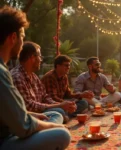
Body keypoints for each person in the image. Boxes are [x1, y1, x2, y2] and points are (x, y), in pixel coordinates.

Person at [0, 6, 70, 150]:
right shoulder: (5, 73)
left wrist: (37, 118)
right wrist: (52, 125)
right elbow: (23, 126)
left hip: (14, 127)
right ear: (13, 38)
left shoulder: (6, 70)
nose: (22, 43)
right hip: (6, 139)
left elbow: (14, 113)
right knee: (62, 134)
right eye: (22, 37)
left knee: (54, 114)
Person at [11, 41, 76, 123]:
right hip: (28, 118)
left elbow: (44, 96)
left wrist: (62, 105)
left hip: (41, 112)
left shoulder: (33, 76)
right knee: (59, 113)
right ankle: (52, 127)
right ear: (32, 57)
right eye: (40, 56)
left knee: (61, 111)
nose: (41, 60)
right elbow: (29, 106)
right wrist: (59, 105)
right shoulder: (17, 77)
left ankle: (55, 124)